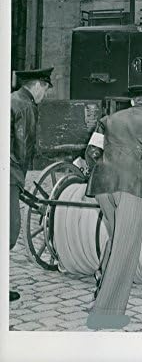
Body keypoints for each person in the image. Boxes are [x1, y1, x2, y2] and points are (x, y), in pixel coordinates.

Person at [85, 85, 142, 329]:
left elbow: (91, 152)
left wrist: (102, 171)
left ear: (133, 101)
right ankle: (106, 314)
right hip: (131, 187)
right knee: (126, 247)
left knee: (117, 239)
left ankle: (99, 295)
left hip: (102, 186)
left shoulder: (108, 119)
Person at [10, 67, 54, 302]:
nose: (44, 95)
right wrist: (19, 176)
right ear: (37, 85)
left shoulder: (10, 98)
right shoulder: (26, 105)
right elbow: (23, 146)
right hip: (8, 176)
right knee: (9, 231)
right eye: (45, 89)